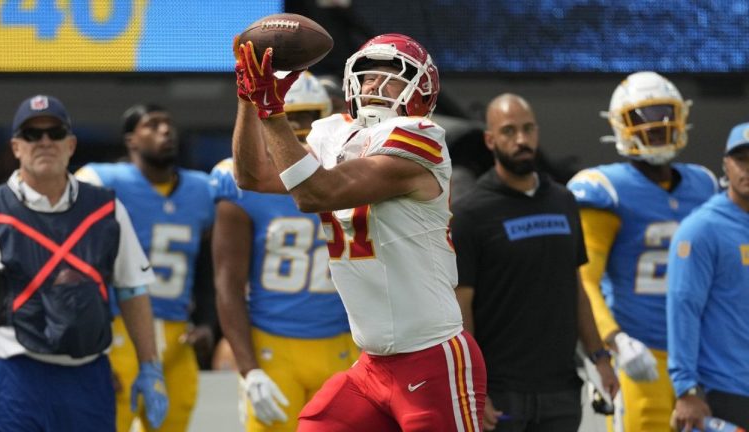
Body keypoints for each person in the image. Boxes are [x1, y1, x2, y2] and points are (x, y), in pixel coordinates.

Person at [232, 33, 486, 431]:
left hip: (432, 357)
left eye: (392, 75)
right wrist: (249, 100)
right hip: (372, 364)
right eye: (367, 75)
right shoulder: (332, 133)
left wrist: (271, 112)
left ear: (423, 88)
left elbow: (318, 192)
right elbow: (252, 175)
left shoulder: (421, 137)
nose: (374, 85)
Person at [0, 95, 168, 431]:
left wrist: (150, 367)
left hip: (88, 375)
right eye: (32, 135)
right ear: (15, 147)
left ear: (71, 145)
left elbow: (133, 289)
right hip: (13, 373)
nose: (44, 142)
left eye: (54, 133)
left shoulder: (105, 208)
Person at [452, 93, 618, 432]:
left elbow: (576, 288)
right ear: (490, 139)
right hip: (501, 394)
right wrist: (473, 390)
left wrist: (600, 357)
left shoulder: (563, 201)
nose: (522, 140)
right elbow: (460, 308)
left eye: (528, 129)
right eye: (509, 131)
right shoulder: (470, 213)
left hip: (561, 391)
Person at [567, 71, 718, 431]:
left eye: (665, 114)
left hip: (700, 355)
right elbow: (585, 280)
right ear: (620, 125)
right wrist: (615, 340)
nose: (657, 126)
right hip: (638, 354)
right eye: (643, 117)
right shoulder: (608, 189)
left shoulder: (704, 184)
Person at [210, 71, 359, 431]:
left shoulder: (350, 170)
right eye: (288, 117)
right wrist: (249, 371)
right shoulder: (241, 185)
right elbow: (227, 283)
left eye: (307, 117)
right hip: (273, 346)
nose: (297, 127)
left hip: (345, 341)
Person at [75, 104, 216, 432]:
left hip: (177, 332)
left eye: (168, 124)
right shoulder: (102, 182)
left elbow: (209, 263)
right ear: (131, 140)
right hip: (120, 327)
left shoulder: (202, 189)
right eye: (152, 125)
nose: (166, 131)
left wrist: (208, 322)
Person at [667, 122, 749, 431]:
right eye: (741, 159)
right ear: (726, 164)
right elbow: (683, 308)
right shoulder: (702, 230)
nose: (748, 169)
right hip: (728, 392)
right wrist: (686, 389)